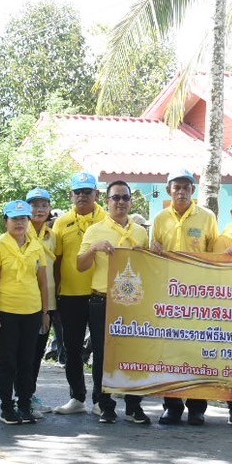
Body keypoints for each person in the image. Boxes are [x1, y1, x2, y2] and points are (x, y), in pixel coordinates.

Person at [77, 180, 151, 423]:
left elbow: (149, 268)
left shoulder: (140, 232)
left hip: (133, 302)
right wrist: (94, 249)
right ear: (106, 201)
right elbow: (80, 266)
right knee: (103, 354)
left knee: (133, 353)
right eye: (115, 198)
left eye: (125, 198)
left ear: (131, 202)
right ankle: (104, 403)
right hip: (102, 300)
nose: (120, 202)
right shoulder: (95, 230)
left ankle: (133, 406)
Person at [150, 169, 218, 425]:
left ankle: (197, 407)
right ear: (169, 190)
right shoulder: (159, 219)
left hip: (198, 296)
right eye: (176, 187)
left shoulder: (207, 217)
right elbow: (151, 255)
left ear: (193, 190)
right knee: (170, 351)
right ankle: (172, 405)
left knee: (197, 350)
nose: (181, 192)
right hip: (167, 296)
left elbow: (214, 255)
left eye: (186, 187)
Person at [0, 200, 53, 425]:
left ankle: (24, 404)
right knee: (8, 361)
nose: (20, 223)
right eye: (15, 219)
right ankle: (7, 407)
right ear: (6, 221)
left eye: (24, 218)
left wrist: (45, 311)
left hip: (32, 311)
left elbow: (43, 283)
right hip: (6, 311)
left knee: (27, 360)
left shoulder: (36, 246)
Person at [51, 174, 109, 416]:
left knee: (102, 349)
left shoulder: (108, 220)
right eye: (78, 192)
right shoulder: (61, 223)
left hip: (100, 294)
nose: (82, 196)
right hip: (70, 295)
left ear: (97, 194)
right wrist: (53, 296)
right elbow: (56, 261)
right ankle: (76, 397)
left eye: (87, 191)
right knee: (71, 348)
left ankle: (100, 400)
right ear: (71, 195)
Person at [23, 187, 59, 413]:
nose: (39, 209)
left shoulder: (52, 236)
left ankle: (29, 394)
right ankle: (21, 396)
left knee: (36, 353)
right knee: (22, 353)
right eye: (34, 205)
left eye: (44, 205)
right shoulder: (19, 232)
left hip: (48, 304)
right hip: (23, 303)